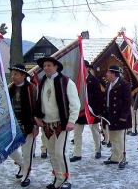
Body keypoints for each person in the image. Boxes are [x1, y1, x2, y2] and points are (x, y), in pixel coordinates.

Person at [34, 57, 80, 189]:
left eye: (49, 65)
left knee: (60, 153)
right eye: (44, 66)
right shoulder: (42, 82)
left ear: (56, 67)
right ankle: (58, 178)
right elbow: (39, 101)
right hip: (47, 123)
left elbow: (75, 104)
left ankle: (67, 179)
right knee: (52, 153)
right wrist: (37, 117)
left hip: (62, 123)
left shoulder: (66, 82)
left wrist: (71, 121)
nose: (46, 68)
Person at [8, 64, 38, 187]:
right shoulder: (9, 88)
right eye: (12, 74)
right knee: (9, 149)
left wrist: (36, 125)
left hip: (28, 124)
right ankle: (22, 165)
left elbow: (37, 108)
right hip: (13, 125)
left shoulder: (32, 89)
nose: (13, 76)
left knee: (27, 152)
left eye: (16, 74)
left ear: (23, 75)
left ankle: (26, 175)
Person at [70, 60, 102, 162]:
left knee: (95, 133)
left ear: (88, 68)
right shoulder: (76, 80)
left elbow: (98, 97)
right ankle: (77, 153)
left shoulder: (94, 80)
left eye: (84, 67)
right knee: (77, 133)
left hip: (91, 111)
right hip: (80, 111)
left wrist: (97, 112)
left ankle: (98, 150)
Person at [100, 65, 132, 169]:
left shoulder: (124, 84)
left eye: (108, 73)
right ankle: (114, 157)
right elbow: (105, 99)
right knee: (113, 138)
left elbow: (128, 102)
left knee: (121, 139)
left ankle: (122, 158)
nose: (106, 75)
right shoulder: (108, 84)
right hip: (110, 115)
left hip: (120, 116)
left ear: (113, 74)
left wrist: (124, 116)